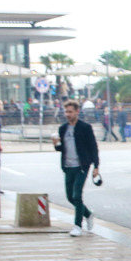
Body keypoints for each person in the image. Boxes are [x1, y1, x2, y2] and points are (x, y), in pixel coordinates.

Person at [53, 100, 100, 236]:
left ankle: (77, 226)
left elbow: (93, 147)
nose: (68, 114)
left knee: (77, 195)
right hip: (68, 167)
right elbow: (62, 148)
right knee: (70, 197)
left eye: (70, 112)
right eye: (66, 112)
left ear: (77, 112)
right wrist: (56, 145)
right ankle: (88, 214)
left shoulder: (85, 127)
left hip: (82, 166)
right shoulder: (63, 129)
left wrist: (96, 166)